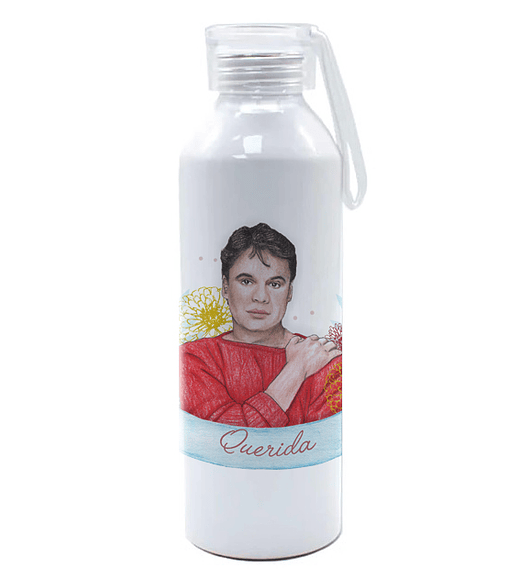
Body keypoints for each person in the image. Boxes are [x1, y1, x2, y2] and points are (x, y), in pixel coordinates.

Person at [180, 223, 342, 428]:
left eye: (274, 284)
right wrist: (296, 369)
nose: (261, 297)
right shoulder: (193, 359)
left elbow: (324, 441)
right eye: (247, 281)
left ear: (289, 292)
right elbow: (227, 435)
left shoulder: (322, 358)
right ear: (225, 287)